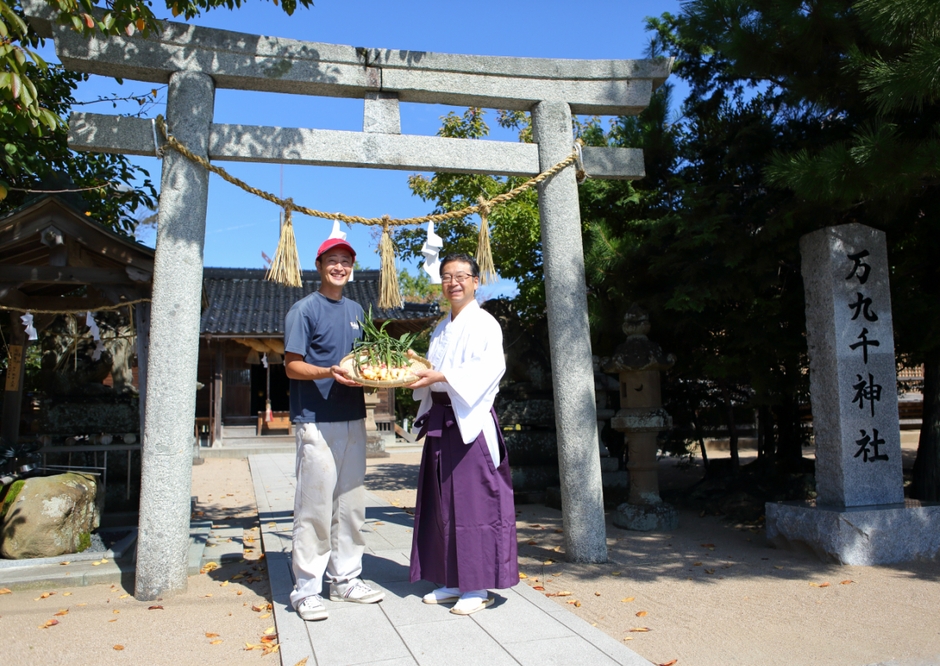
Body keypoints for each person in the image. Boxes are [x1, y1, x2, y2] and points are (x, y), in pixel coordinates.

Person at [408, 253, 519, 615]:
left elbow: (489, 368)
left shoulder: (485, 323)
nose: (452, 282)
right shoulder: (441, 328)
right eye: (446, 277)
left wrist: (441, 377)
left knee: (475, 504)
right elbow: (432, 372)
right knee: (442, 502)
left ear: (475, 281)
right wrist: (417, 369)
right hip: (443, 418)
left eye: (460, 276)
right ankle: (451, 579)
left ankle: (477, 585)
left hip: (469, 421)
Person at [283, 237, 385, 622]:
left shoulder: (358, 309)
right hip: (315, 419)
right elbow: (292, 366)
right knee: (314, 505)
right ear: (319, 263)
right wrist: (329, 371)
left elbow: (364, 360)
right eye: (333, 260)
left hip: (352, 417)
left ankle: (345, 579)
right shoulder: (304, 309)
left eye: (345, 260)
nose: (339, 266)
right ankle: (306, 589)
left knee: (351, 503)